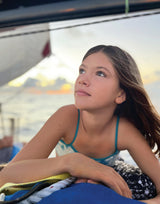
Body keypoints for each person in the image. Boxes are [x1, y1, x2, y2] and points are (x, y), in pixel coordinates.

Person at [0, 45, 160, 203]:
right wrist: (71, 162)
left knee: (145, 186)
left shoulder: (123, 131)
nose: (82, 79)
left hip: (107, 176)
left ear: (120, 94)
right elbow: (5, 177)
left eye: (100, 73)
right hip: (65, 176)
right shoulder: (66, 117)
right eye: (82, 70)